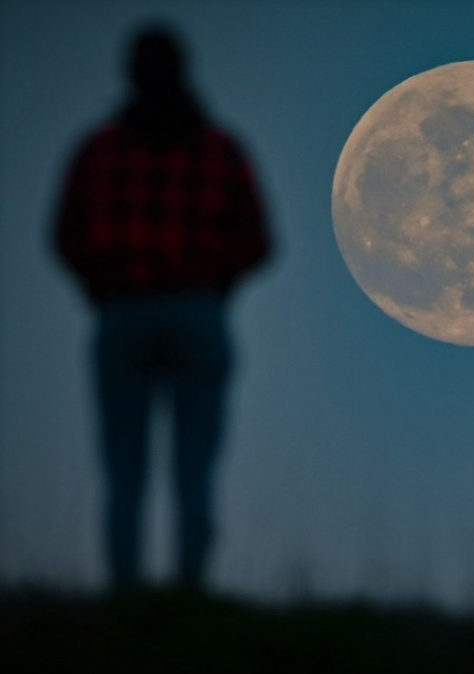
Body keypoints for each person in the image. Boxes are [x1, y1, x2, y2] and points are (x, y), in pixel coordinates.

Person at [53, 24, 271, 592]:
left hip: (124, 312)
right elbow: (258, 239)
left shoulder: (99, 150)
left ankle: (127, 590)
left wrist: (99, 283)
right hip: (194, 310)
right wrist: (215, 280)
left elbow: (65, 232)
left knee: (124, 469)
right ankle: (187, 591)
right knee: (194, 467)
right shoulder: (220, 150)